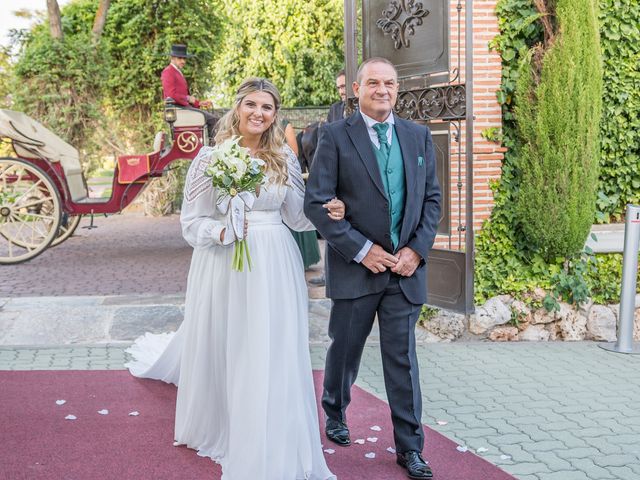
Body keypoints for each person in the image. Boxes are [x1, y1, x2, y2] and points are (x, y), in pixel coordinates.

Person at [127, 77, 345, 480]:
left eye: (267, 108)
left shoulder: (284, 156)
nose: (259, 114)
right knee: (233, 340)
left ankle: (270, 424)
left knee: (270, 342)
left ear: (275, 115)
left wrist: (325, 207)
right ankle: (228, 420)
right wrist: (223, 232)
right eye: (252, 105)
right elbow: (192, 223)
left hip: (276, 258)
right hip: (225, 258)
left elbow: (296, 217)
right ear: (237, 107)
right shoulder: (211, 158)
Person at [304, 57, 441, 479]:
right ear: (357, 89)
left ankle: (410, 448)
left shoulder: (418, 136)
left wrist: (416, 251)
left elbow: (432, 200)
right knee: (345, 349)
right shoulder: (334, 136)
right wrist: (361, 250)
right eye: (374, 83)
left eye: (390, 83)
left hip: (403, 271)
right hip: (356, 268)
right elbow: (316, 203)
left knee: (401, 359)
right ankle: (335, 410)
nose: (383, 90)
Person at [308, 68, 348, 287]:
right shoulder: (335, 109)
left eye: (344, 86)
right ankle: (329, 273)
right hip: (335, 175)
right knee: (331, 223)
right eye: (339, 87)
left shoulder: (364, 108)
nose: (341, 91)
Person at [161, 44, 218, 143]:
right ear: (172, 58)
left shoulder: (176, 71)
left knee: (213, 115)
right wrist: (187, 98)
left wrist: (198, 103)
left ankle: (209, 144)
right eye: (180, 58)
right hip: (179, 109)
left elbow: (183, 96)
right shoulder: (168, 72)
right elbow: (171, 94)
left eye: (184, 58)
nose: (183, 61)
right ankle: (212, 147)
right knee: (213, 119)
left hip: (184, 107)